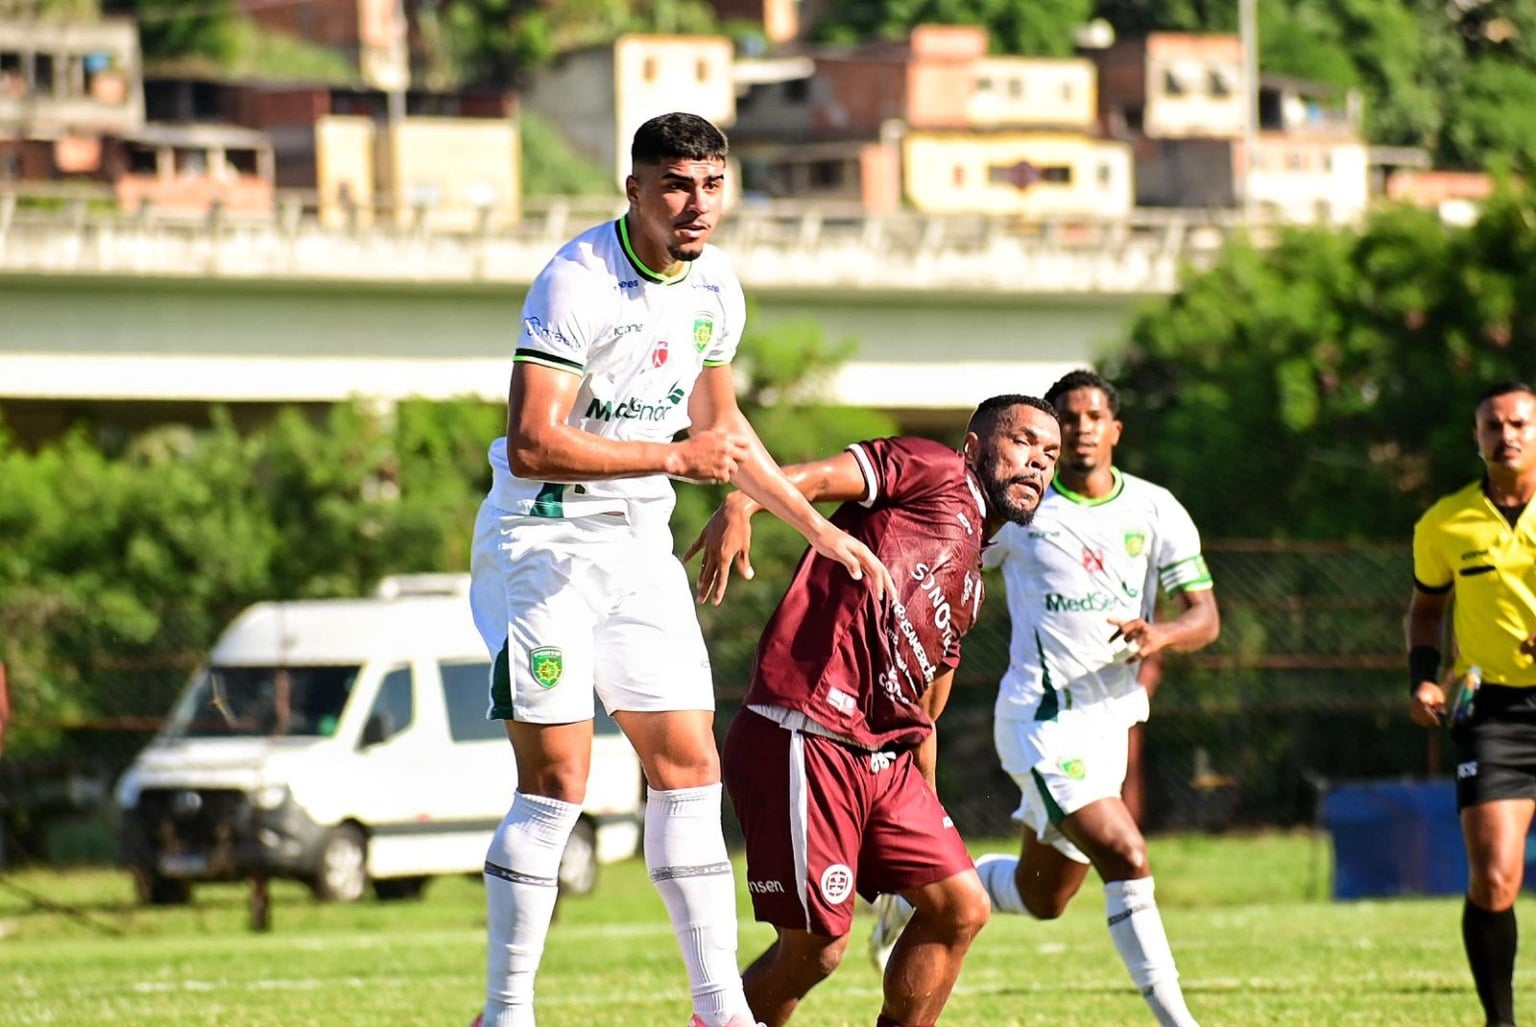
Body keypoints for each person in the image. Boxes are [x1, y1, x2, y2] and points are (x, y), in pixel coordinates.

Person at [466, 112, 891, 1027]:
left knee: (691, 766)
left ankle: (719, 1012)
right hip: (540, 549)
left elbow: (724, 434)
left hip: (636, 551)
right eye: (675, 185)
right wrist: (670, 461)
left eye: (710, 185)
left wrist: (814, 527)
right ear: (635, 191)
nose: (695, 205)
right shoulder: (575, 282)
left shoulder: (716, 291)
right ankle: (504, 1012)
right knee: (558, 787)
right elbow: (533, 442)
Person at [687, 394, 1062, 1027]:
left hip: (882, 758)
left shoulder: (971, 578)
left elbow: (925, 712)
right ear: (975, 447)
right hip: (807, 728)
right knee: (816, 950)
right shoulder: (937, 467)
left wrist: (927, 819)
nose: (1037, 464)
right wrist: (744, 500)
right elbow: (821, 476)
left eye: (1049, 456)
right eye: (1024, 442)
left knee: (959, 907)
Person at [869, 369, 1219, 1027]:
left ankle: (921, 894)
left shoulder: (1155, 507)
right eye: (1069, 418)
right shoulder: (1024, 511)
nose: (1082, 428)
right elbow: (952, 548)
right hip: (1040, 719)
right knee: (1127, 851)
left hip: (1108, 724)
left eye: (1094, 416)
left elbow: (1205, 615)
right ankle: (1180, 1021)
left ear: (1115, 429)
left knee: (1045, 896)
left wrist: (1163, 633)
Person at [1408, 380, 1536, 1027]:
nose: (1506, 435)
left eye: (1519, 422)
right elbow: (1427, 610)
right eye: (1492, 425)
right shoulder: (1445, 522)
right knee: (1494, 878)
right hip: (1495, 712)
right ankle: (1501, 1022)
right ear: (1477, 436)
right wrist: (1423, 678)